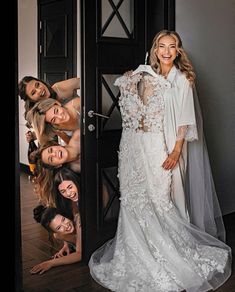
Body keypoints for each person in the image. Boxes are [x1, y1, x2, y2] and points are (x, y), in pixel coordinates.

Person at [88, 30, 231, 291]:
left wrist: (176, 151)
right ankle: (144, 250)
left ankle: (173, 252)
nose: (166, 51)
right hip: (148, 144)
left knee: (170, 199)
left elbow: (186, 121)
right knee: (144, 199)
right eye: (161, 46)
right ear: (154, 49)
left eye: (172, 46)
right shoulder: (148, 76)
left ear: (178, 50)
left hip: (172, 148)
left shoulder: (183, 78)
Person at [30, 206, 81, 275]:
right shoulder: (58, 235)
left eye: (63, 219)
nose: (66, 226)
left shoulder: (79, 221)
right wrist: (66, 245)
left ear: (65, 215)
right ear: (55, 231)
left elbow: (80, 254)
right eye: (59, 227)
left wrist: (50, 263)